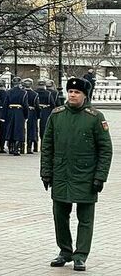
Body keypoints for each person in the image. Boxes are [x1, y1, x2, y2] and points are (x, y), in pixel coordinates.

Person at [40, 77, 113, 272]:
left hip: (86, 176)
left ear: (85, 95)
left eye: (77, 92)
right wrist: (46, 173)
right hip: (61, 174)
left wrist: (100, 177)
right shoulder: (57, 115)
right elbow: (47, 146)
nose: (72, 95)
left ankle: (80, 255)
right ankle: (65, 251)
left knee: (85, 218)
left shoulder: (95, 117)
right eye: (70, 92)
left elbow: (106, 149)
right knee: (60, 216)